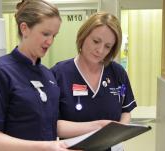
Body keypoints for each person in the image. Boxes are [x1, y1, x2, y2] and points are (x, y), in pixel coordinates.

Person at [0, 0, 78, 151]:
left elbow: (52, 124)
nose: (50, 41)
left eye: (54, 35)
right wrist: (48, 147)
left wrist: (99, 126)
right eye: (45, 34)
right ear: (24, 28)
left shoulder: (47, 75)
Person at [51, 12, 137, 151]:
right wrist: (98, 127)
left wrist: (118, 134)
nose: (100, 50)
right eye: (96, 41)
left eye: (108, 46)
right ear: (83, 36)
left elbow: (125, 111)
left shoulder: (117, 73)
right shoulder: (59, 74)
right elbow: (52, 124)